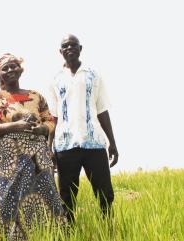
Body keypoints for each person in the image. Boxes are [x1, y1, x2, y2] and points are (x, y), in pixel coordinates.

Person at [0, 53, 66, 240]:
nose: (10, 70)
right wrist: (15, 126)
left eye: (13, 66)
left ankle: (49, 237)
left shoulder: (36, 96)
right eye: (5, 68)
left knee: (47, 202)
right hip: (8, 164)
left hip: (39, 162)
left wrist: (43, 128)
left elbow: (50, 120)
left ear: (21, 69)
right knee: (8, 206)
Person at [48, 34, 119, 223]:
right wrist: (49, 148)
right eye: (65, 45)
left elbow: (102, 110)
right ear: (60, 51)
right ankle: (68, 233)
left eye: (73, 45)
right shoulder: (55, 79)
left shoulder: (93, 75)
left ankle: (108, 230)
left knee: (105, 193)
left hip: (94, 143)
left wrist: (112, 143)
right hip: (65, 146)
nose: (69, 48)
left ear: (81, 48)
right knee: (66, 197)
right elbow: (53, 117)